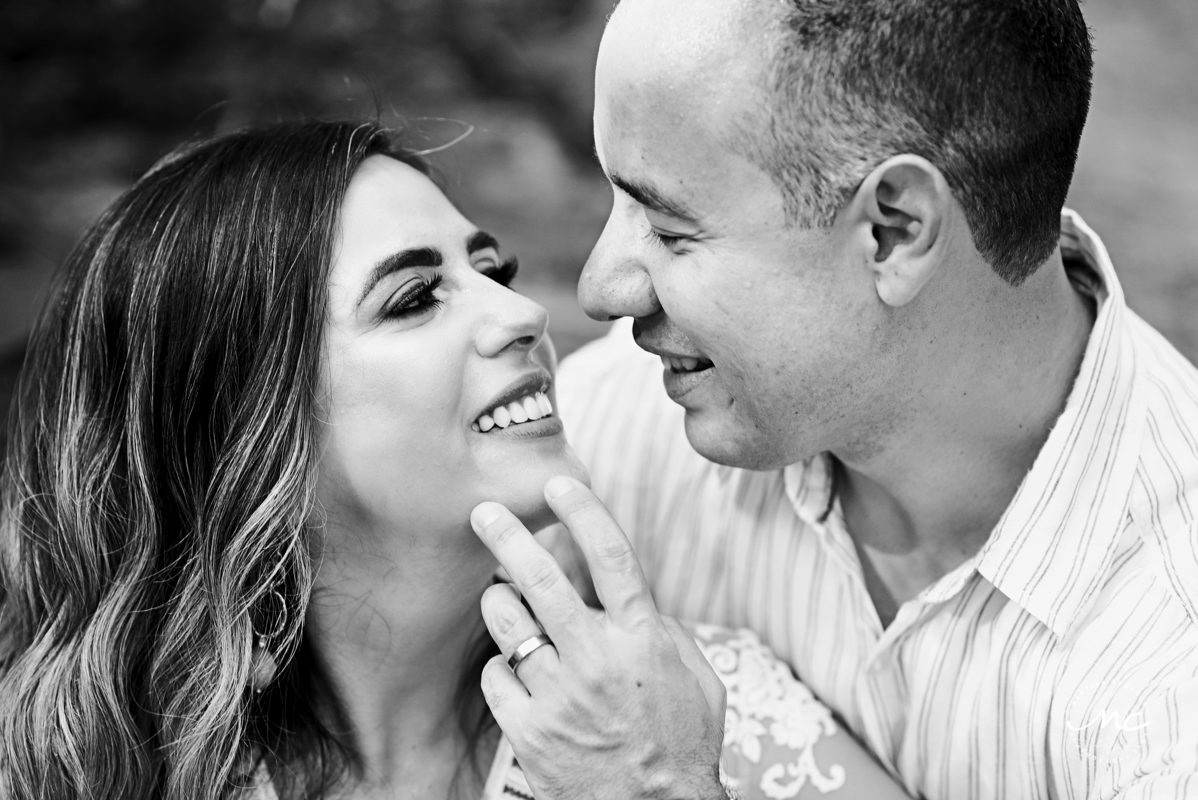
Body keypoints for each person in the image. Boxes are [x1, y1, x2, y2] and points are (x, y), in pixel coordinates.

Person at [0, 120, 908, 800]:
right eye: (414, 298)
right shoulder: (83, 765)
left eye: (491, 271)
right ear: (247, 422)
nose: (522, 317)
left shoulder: (706, 714)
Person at [469, 0, 1198, 798]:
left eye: (672, 230)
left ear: (893, 231)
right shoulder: (621, 428)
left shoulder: (1168, 687)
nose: (599, 290)